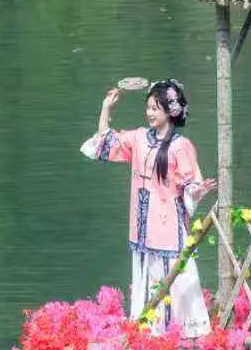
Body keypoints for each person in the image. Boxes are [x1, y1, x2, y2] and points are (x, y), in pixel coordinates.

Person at [85, 80, 217, 336]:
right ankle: (148, 328)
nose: (149, 113)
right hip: (142, 222)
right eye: (148, 108)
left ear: (170, 111)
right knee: (146, 271)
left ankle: (180, 330)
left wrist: (198, 190)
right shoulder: (138, 138)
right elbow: (106, 143)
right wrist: (106, 108)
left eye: (155, 108)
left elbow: (189, 185)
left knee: (174, 272)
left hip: (168, 223)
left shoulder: (180, 146)